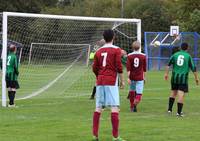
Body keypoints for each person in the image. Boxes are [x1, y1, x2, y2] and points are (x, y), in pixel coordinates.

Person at [92, 29, 125, 141]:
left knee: (98, 107)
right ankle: (115, 137)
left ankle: (95, 135)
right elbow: (119, 67)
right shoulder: (116, 50)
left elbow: (94, 68)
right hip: (111, 81)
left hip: (100, 81)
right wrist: (122, 81)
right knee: (114, 107)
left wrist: (99, 76)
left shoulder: (98, 51)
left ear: (103, 37)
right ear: (113, 37)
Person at [164, 42, 199, 117]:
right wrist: (196, 78)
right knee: (181, 94)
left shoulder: (175, 55)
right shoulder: (188, 56)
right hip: (183, 78)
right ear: (187, 48)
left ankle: (169, 110)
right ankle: (178, 113)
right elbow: (193, 68)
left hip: (174, 77)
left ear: (180, 47)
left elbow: (168, 65)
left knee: (173, 92)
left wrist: (166, 74)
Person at [126, 41, 147, 112]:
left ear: (132, 47)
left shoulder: (129, 56)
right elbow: (144, 69)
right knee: (139, 93)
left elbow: (128, 69)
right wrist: (145, 77)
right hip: (140, 77)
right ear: (140, 47)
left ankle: (132, 106)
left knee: (132, 91)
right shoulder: (143, 56)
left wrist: (128, 78)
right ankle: (135, 104)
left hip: (132, 76)